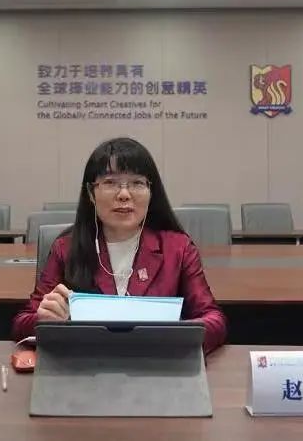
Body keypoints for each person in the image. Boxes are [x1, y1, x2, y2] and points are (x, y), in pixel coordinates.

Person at [12, 137, 227, 354]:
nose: (124, 195)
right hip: (86, 363)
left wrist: (177, 335)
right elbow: (22, 322)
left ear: (151, 192)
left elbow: (214, 319)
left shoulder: (178, 248)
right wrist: (45, 320)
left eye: (137, 183)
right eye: (110, 183)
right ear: (91, 193)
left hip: (157, 363)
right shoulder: (66, 248)